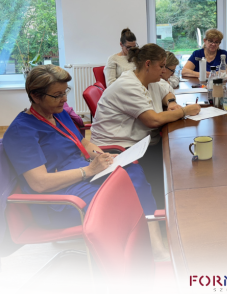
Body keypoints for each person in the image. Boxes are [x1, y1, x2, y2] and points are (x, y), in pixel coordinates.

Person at [3, 65, 168, 259]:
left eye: (65, 92)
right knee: (122, 194)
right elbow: (39, 183)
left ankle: (154, 244)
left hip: (83, 177)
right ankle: (131, 254)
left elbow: (82, 142)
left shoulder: (58, 113)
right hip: (58, 199)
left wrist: (102, 157)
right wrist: (88, 171)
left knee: (133, 173)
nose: (64, 99)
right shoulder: (21, 132)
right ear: (36, 96)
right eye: (57, 95)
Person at [91, 44, 201, 207]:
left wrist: (171, 102)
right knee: (175, 161)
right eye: (161, 66)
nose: (164, 71)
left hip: (139, 142)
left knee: (178, 156)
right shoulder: (128, 85)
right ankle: (162, 209)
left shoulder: (149, 79)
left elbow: (166, 89)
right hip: (118, 149)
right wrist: (184, 111)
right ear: (148, 64)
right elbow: (153, 120)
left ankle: (173, 203)